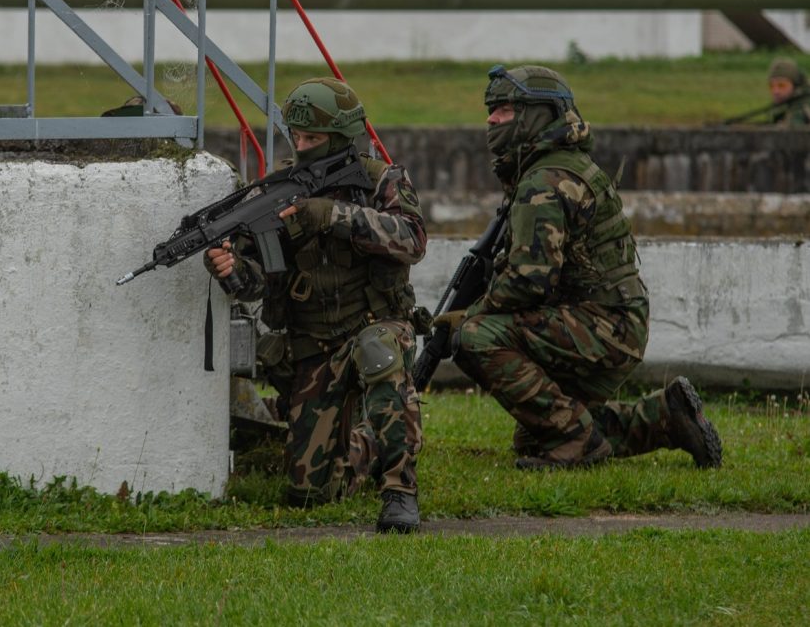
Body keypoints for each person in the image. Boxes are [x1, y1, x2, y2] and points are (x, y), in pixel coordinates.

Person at [445, 64, 722, 471]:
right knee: (534, 437)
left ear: (534, 115)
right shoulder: (568, 166)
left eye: (503, 109)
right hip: (615, 321)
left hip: (603, 326)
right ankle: (667, 417)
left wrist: (472, 313)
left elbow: (528, 281)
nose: (491, 119)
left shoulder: (543, 182)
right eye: (492, 109)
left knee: (474, 337)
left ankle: (577, 441)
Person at [205, 77, 427, 533]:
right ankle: (369, 438)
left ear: (342, 138)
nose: (303, 146)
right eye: (298, 137)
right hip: (314, 345)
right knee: (309, 493)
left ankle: (400, 490)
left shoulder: (379, 180)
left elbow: (413, 240)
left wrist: (331, 215)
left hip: (373, 324)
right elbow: (259, 283)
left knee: (379, 351)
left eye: (314, 139)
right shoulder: (278, 191)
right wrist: (232, 270)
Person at [767, 57, 810, 127]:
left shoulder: (802, 107)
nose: (776, 91)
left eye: (781, 85)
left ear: (795, 85)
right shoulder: (785, 106)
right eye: (771, 86)